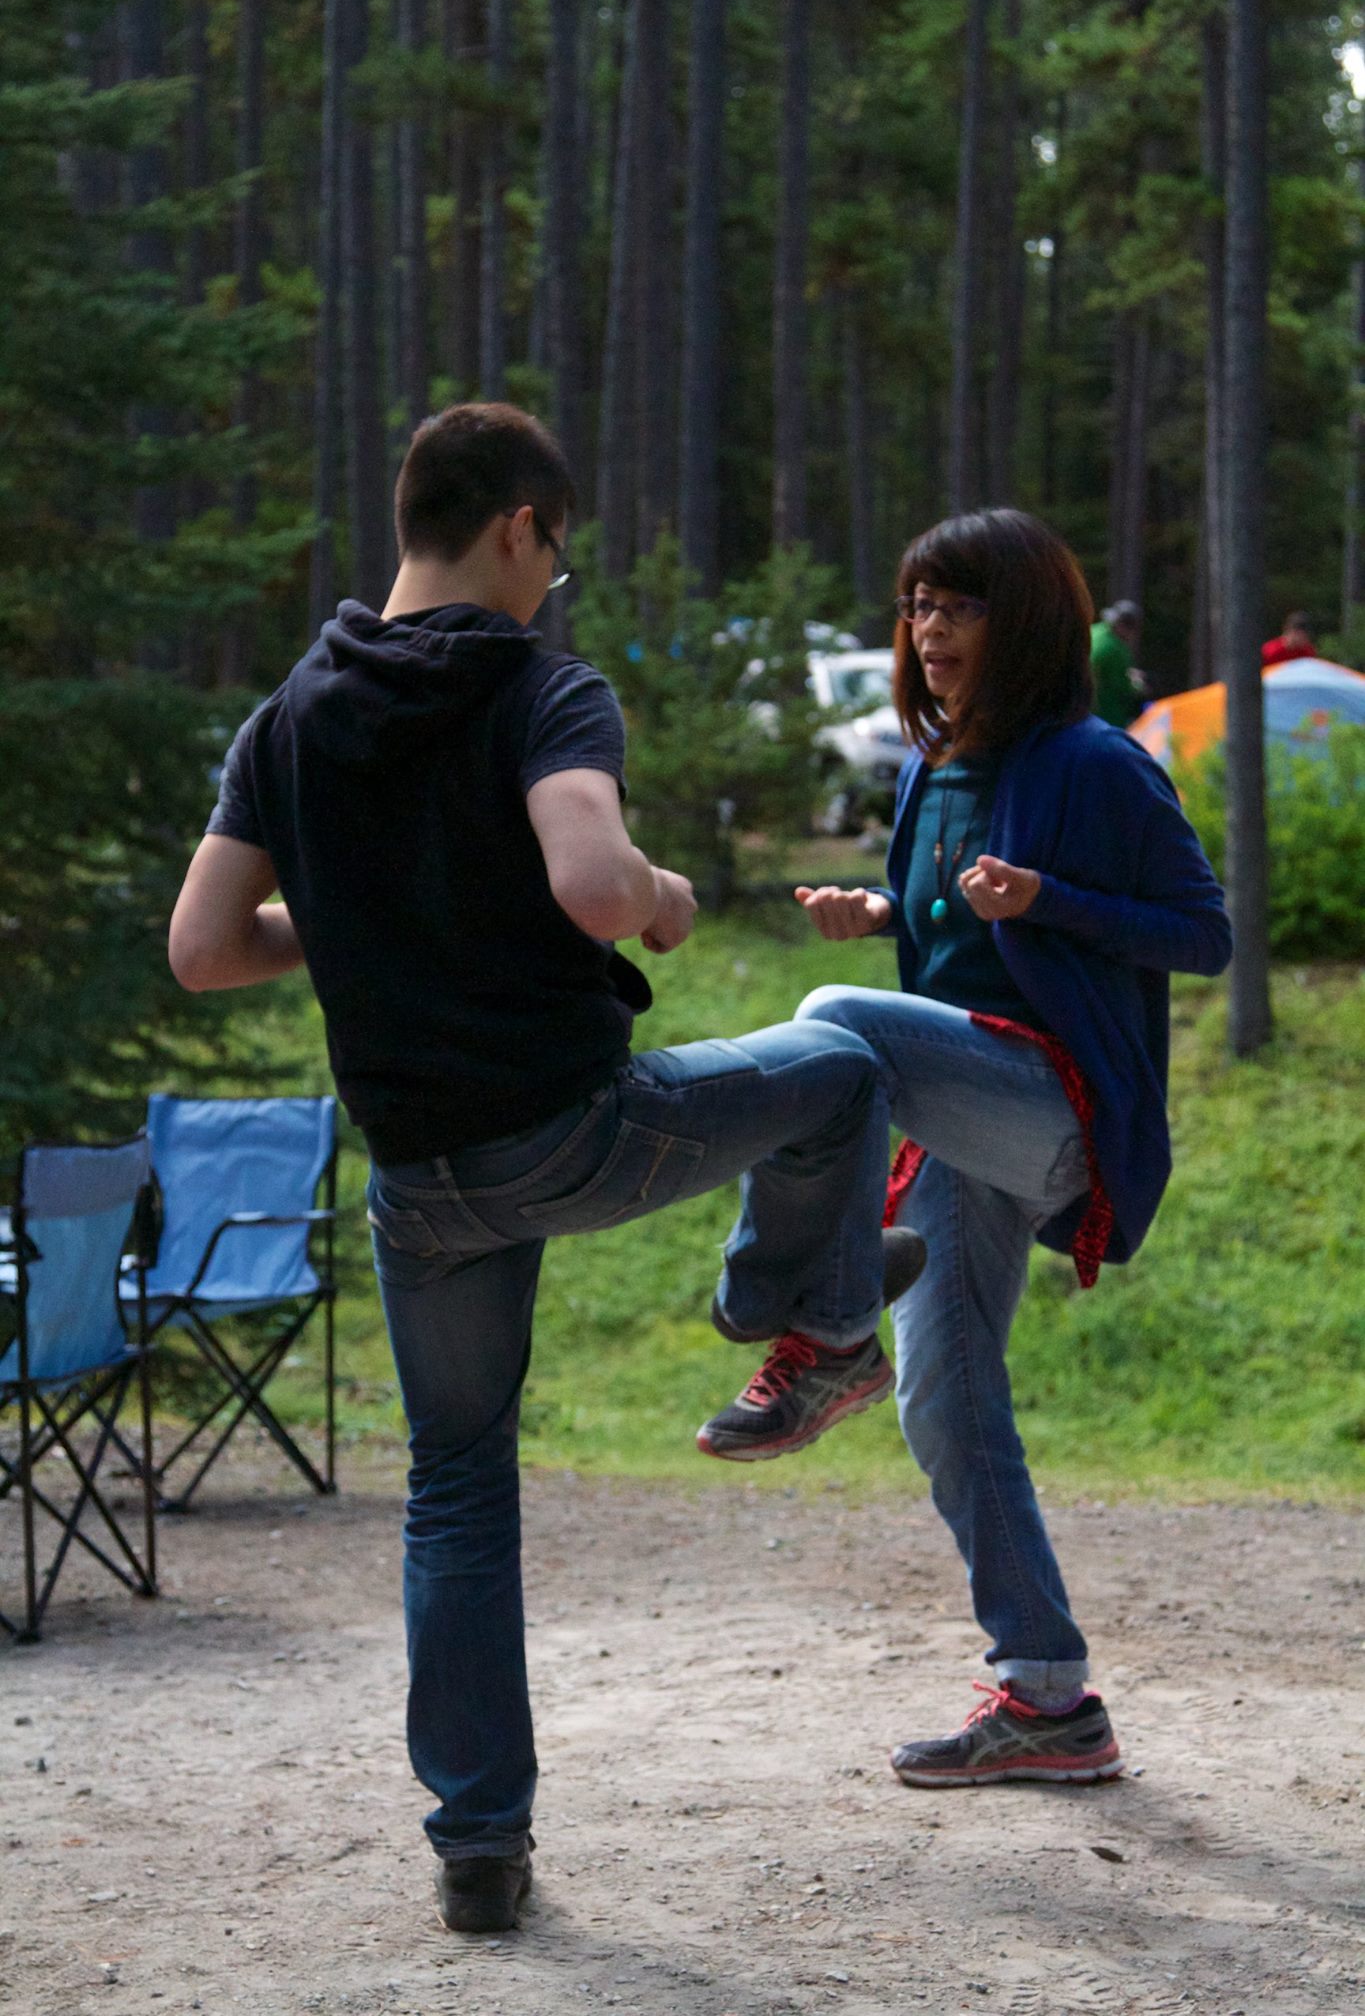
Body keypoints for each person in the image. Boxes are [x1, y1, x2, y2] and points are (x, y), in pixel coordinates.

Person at [167, 402, 924, 1936]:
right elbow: (587, 881)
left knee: (455, 1487)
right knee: (843, 1070)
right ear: (518, 525)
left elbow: (202, 951)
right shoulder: (541, 687)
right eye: (556, 553)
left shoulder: (289, 718)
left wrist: (375, 910)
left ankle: (478, 1848)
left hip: (420, 1185)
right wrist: (663, 898)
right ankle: (804, 1322)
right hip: (574, 1128)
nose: (551, 581)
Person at [764, 508, 1230, 1788]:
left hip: (1060, 1108)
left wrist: (1052, 900)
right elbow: (950, 965)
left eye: (957, 606)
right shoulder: (929, 769)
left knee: (827, 1029)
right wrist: (879, 920)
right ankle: (1047, 1694)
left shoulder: (1095, 763)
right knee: (948, 1402)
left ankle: (825, 1320)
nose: (929, 631)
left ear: (1020, 620)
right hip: (964, 1122)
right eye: (917, 606)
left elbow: (1207, 935)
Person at [1089, 598, 1147, 727]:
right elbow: (1123, 687)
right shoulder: (1116, 649)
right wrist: (1138, 685)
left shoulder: (1093, 631)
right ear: (1125, 627)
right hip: (1103, 716)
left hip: (1077, 708)